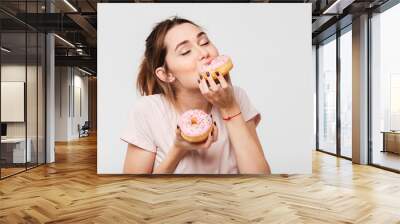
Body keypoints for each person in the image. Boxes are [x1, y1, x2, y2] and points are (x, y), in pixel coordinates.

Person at [121, 16, 271, 174]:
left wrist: (229, 108)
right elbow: (135, 191)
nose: (204, 53)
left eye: (205, 42)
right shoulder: (148, 110)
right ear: (166, 74)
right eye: (185, 52)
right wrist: (178, 149)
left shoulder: (237, 96)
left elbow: (260, 180)